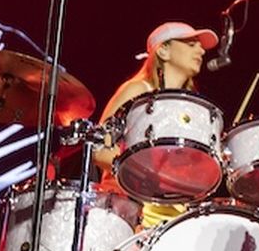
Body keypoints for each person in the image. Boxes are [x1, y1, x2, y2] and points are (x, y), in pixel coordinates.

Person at [94, 20, 219, 229]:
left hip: (170, 222)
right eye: (190, 44)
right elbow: (98, 149)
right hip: (126, 215)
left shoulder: (191, 111)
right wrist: (147, 172)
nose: (201, 51)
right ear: (163, 50)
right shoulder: (137, 91)